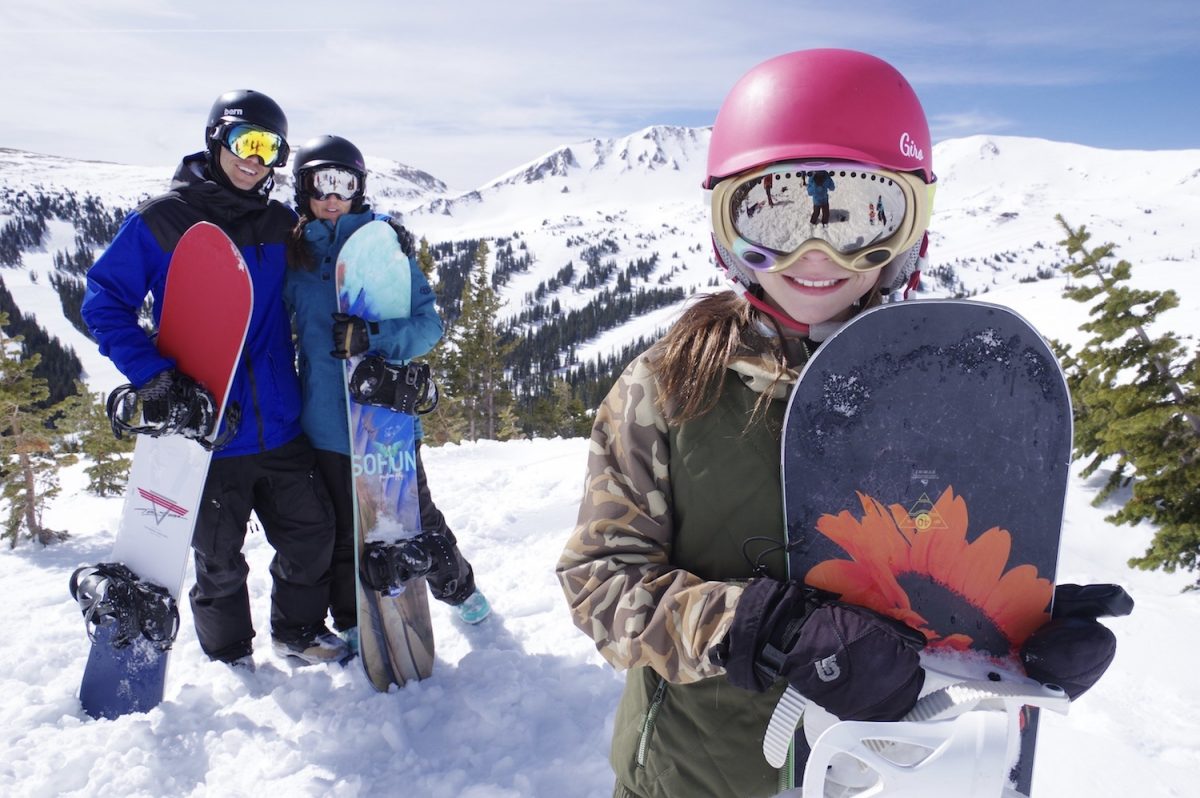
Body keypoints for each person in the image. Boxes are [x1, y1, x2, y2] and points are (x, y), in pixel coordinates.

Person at [556, 49, 1125, 798]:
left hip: (869, 769)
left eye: (860, 218)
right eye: (777, 214)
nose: (816, 254)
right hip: (696, 775)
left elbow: (943, 554)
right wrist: (759, 626)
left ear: (907, 230)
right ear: (730, 228)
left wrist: (1018, 631)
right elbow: (600, 585)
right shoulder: (669, 390)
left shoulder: (932, 392)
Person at [83, 90, 350, 669]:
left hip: (280, 424)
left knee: (312, 537)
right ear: (215, 139)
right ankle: (230, 652)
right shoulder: (165, 219)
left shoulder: (281, 223)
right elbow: (104, 301)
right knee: (219, 557)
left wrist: (383, 241)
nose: (253, 159)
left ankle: (299, 631)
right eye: (243, 142)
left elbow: (331, 253)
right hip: (207, 427)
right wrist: (154, 374)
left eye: (269, 148)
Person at [283, 135, 491, 647]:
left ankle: (457, 587)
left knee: (414, 516)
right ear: (303, 189)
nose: (332, 196)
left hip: (386, 415)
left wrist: (372, 338)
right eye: (320, 183)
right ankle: (358, 621)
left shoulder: (385, 249)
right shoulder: (294, 261)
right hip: (324, 425)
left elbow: (429, 327)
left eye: (344, 183)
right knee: (343, 532)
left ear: (359, 190)